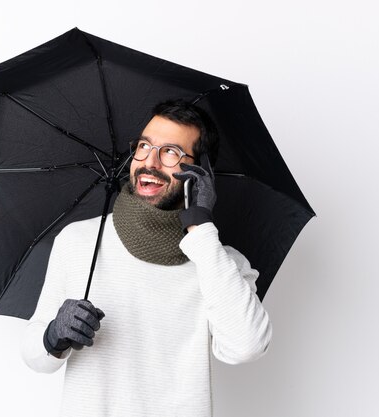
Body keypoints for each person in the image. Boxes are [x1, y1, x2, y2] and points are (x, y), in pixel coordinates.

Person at [20, 99, 272, 417]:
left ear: (200, 172)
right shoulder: (80, 240)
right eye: (144, 146)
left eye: (170, 152)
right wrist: (54, 334)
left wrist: (201, 227)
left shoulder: (221, 263)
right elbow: (34, 356)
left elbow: (247, 346)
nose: (149, 162)